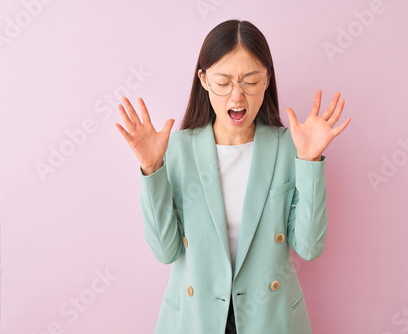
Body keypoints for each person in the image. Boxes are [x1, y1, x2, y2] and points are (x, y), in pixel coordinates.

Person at [115, 19, 350, 334]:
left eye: (250, 80)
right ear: (204, 79)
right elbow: (165, 251)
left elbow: (308, 247)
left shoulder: (289, 146)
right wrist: (152, 169)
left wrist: (309, 160)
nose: (237, 97)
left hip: (270, 319)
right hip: (196, 319)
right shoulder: (178, 148)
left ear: (267, 80)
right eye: (223, 81)